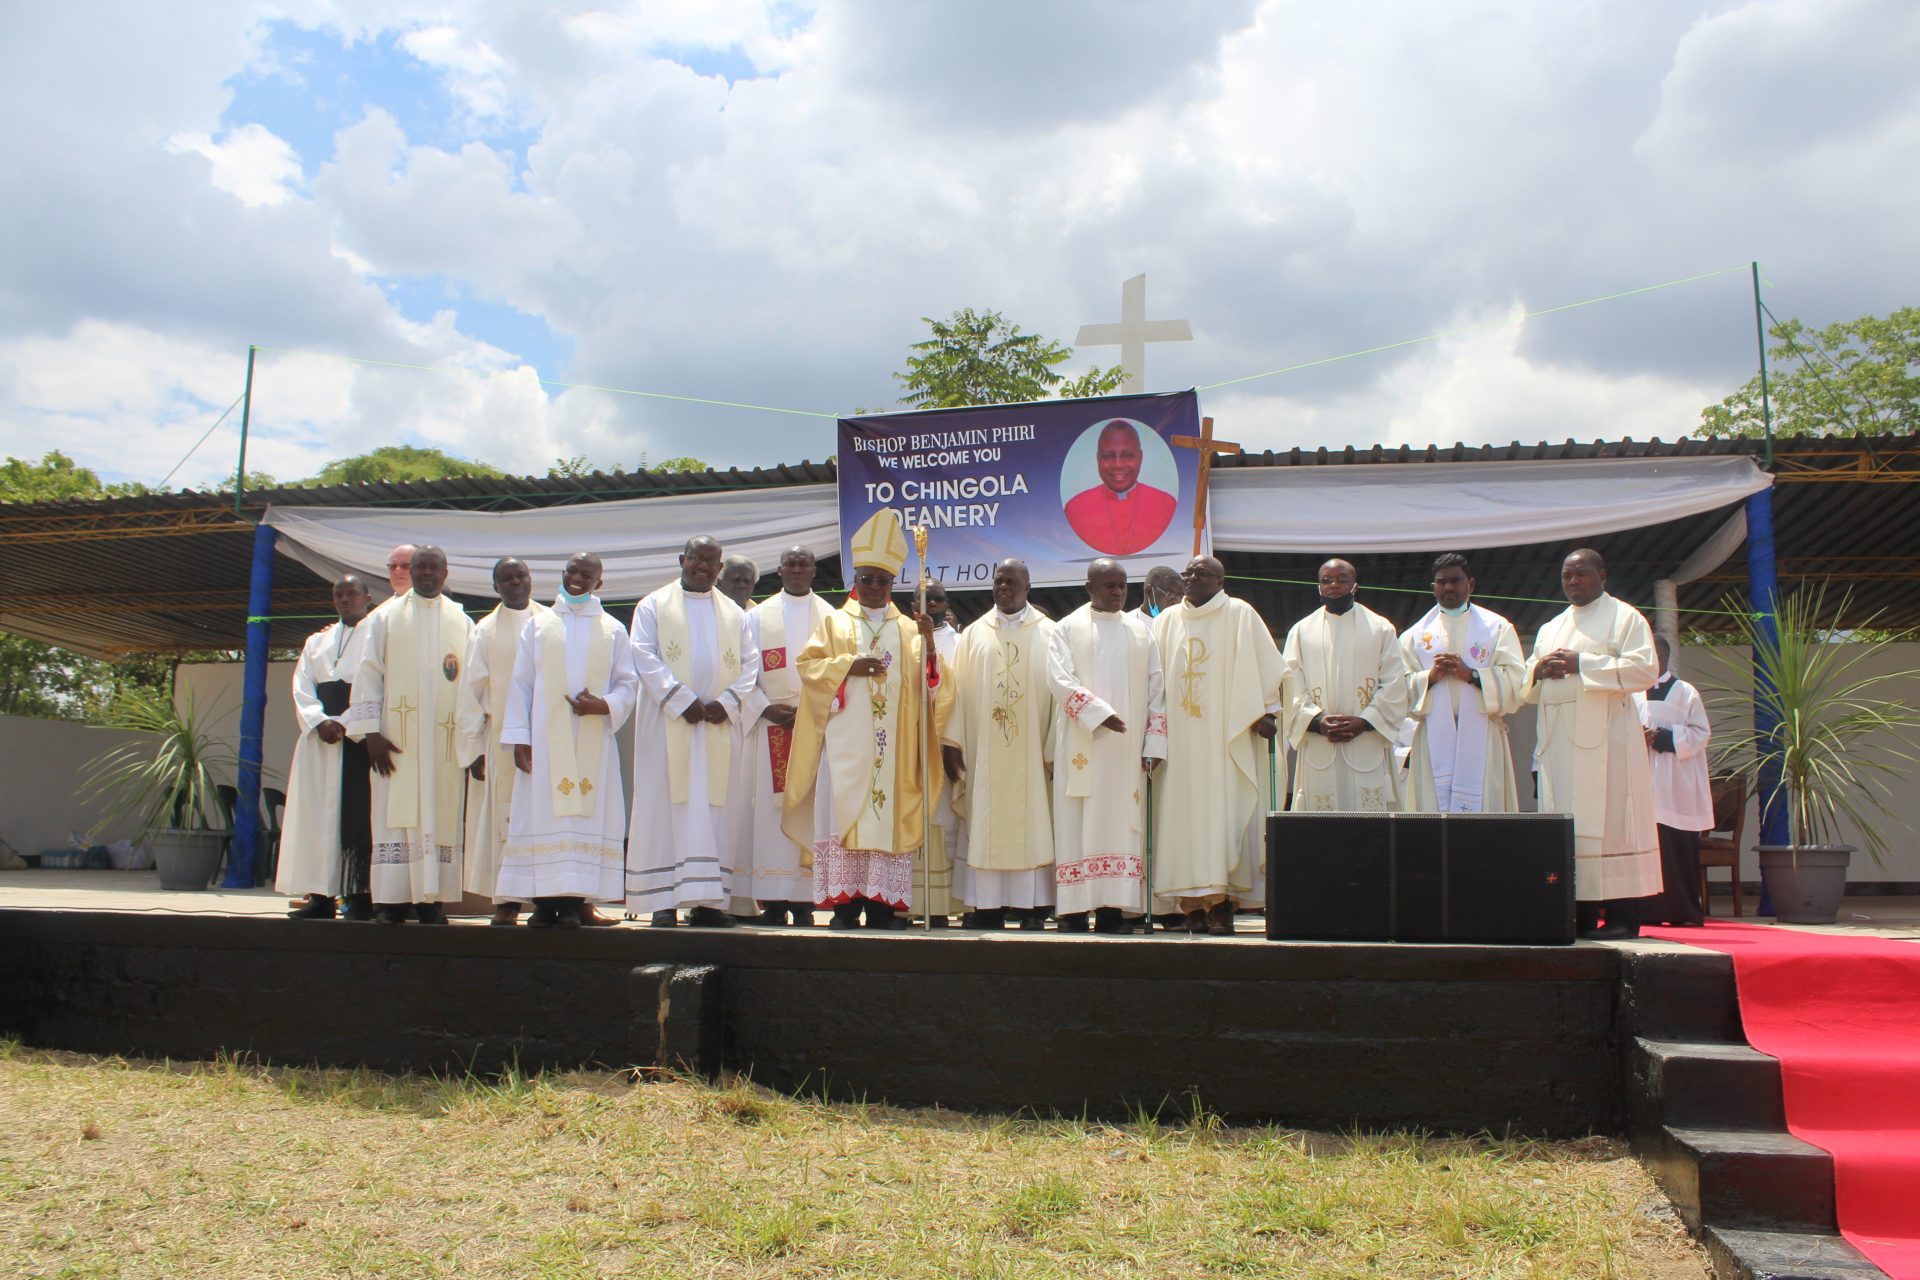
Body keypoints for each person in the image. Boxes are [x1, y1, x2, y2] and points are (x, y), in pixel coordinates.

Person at [781, 509, 953, 929]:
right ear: (855, 581)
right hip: (844, 744)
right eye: (867, 579)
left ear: (894, 584)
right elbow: (809, 669)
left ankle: (880, 907)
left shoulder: (913, 630)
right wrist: (847, 667)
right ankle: (844, 908)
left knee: (885, 819)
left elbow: (934, 687)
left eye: (883, 580)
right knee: (845, 818)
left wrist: (930, 649)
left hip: (892, 749)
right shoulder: (834, 623)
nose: (875, 587)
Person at [1522, 548, 1662, 939]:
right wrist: (1539, 671)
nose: (1573, 582)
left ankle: (1622, 916)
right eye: (1567, 575)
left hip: (1608, 742)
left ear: (1602, 575)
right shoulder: (1552, 626)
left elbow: (1645, 670)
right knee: (1570, 827)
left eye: (1581, 574)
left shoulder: (1625, 617)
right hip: (1560, 744)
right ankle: (1578, 916)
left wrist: (1582, 663)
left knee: (1612, 823)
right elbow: (1525, 690)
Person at [494, 553, 639, 928]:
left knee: (584, 818)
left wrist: (604, 704)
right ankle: (543, 905)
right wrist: (519, 738)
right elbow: (521, 683)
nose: (577, 579)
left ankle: (575, 905)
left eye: (587, 574)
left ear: (598, 584)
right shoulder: (539, 626)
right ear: (562, 575)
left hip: (591, 740)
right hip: (544, 742)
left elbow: (628, 683)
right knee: (542, 815)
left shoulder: (612, 630)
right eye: (572, 571)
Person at [626, 536, 759, 927]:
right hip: (669, 723)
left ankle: (708, 904)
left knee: (718, 809)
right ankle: (662, 901)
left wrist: (729, 702)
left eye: (711, 562)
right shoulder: (653, 605)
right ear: (682, 560)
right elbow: (643, 653)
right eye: (697, 559)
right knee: (664, 804)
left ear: (719, 569)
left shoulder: (734, 614)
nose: (703, 567)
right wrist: (679, 698)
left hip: (716, 725)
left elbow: (750, 663)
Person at [1151, 555, 1285, 934]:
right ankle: (1191, 905)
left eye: (1202, 573)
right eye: (1188, 573)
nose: (1193, 578)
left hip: (1226, 738)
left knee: (1223, 815)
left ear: (1221, 580)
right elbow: (1152, 681)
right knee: (1179, 820)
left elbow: (1267, 667)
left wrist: (1267, 710)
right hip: (1178, 742)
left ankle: (1222, 903)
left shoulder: (1240, 614)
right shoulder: (1165, 621)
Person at [345, 546, 474, 925]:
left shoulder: (461, 621)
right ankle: (391, 902)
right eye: (420, 567)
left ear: (446, 572)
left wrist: (470, 740)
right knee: (394, 818)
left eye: (434, 568)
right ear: (411, 572)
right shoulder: (385, 617)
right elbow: (367, 672)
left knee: (441, 814)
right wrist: (370, 732)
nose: (427, 574)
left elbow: (469, 684)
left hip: (443, 746)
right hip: (396, 742)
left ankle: (431, 902)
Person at [1045, 558, 1166, 933]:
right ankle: (1073, 911)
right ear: (1090, 587)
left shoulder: (1140, 632)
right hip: (1083, 742)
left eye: (1122, 586)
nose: (1117, 593)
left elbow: (1156, 688)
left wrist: (1154, 743)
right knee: (1075, 824)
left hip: (1125, 750)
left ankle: (1113, 911)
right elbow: (1058, 679)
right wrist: (1097, 713)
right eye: (1108, 586)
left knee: (1121, 824)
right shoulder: (1066, 629)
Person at [943, 559, 1056, 930]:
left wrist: (1053, 749)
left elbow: (1060, 697)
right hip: (984, 756)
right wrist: (953, 743)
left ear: (1028, 586)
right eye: (998, 581)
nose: (1003, 587)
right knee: (985, 823)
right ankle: (986, 907)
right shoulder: (974, 634)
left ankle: (1031, 907)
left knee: (1032, 820)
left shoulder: (1051, 634)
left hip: (1031, 756)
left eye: (1011, 581)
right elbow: (956, 693)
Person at [737, 545, 835, 925]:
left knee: (811, 808)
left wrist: (814, 711)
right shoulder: (757, 618)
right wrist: (765, 707)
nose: (797, 569)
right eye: (790, 564)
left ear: (813, 571)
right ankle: (774, 903)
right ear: (779, 571)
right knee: (769, 809)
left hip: (816, 729)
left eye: (804, 564)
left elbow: (838, 671)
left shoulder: (831, 617)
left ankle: (805, 902)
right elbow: (744, 673)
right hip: (770, 726)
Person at [456, 558, 548, 926]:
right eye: (506, 579)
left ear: (531, 579)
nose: (515, 583)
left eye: (521, 576)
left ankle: (551, 899)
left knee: (546, 818)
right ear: (496, 587)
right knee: (505, 818)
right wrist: (475, 749)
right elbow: (470, 692)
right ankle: (507, 902)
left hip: (546, 737)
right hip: (501, 741)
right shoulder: (485, 630)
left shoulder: (550, 622)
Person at [277, 575, 374, 920]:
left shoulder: (378, 635)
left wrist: (347, 722)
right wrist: (318, 721)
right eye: (339, 595)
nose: (345, 600)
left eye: (352, 594)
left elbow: (376, 684)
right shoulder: (317, 641)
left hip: (357, 739)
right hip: (320, 741)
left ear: (367, 597)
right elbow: (302, 685)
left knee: (358, 818)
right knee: (317, 818)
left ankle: (360, 896)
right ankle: (319, 896)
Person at [1400, 553, 1528, 813]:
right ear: (1433, 587)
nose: (1448, 587)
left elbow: (1517, 681)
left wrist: (1472, 675)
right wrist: (1431, 676)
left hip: (1482, 732)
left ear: (1470, 584)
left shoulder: (1497, 628)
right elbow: (1397, 689)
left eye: (1455, 581)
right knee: (1434, 814)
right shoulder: (1414, 635)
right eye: (1441, 582)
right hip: (1433, 735)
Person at [1284, 559, 1412, 814]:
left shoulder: (1380, 628)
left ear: (1355, 586)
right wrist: (1317, 721)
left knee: (1368, 824)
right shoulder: (1301, 631)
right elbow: (1290, 684)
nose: (1334, 586)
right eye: (1326, 580)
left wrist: (1364, 722)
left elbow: (1395, 683)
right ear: (1318, 587)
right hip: (1320, 742)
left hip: (1366, 740)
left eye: (1342, 580)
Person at [1636, 635, 1712, 927]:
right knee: (1646, 849)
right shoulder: (1631, 693)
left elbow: (1701, 733)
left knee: (1676, 847)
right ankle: (1648, 912)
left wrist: (1664, 738)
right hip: (1643, 779)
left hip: (1675, 781)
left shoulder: (1684, 692)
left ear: (1664, 657)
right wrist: (1637, 737)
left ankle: (1684, 912)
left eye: (1651, 654)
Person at [1063, 420, 1178, 555]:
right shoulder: (1075, 508)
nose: (1118, 465)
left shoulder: (1166, 504)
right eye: (1108, 456)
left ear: (1140, 457)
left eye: (1127, 455)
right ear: (1098, 459)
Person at [921, 579, 963, 925]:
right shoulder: (902, 639)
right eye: (924, 600)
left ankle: (947, 901)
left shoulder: (962, 643)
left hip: (947, 745)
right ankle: (912, 901)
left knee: (946, 823)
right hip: (913, 746)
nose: (931, 606)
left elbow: (960, 695)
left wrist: (952, 742)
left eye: (937, 600)